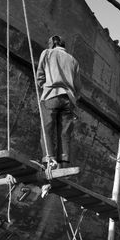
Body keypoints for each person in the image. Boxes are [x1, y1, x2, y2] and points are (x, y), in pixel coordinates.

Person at [36, 35, 80, 196]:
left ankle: (49, 159)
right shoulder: (73, 61)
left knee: (47, 127)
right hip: (69, 99)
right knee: (64, 133)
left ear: (52, 44)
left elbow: (40, 75)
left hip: (51, 95)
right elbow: (78, 86)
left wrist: (44, 86)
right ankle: (63, 165)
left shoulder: (47, 53)